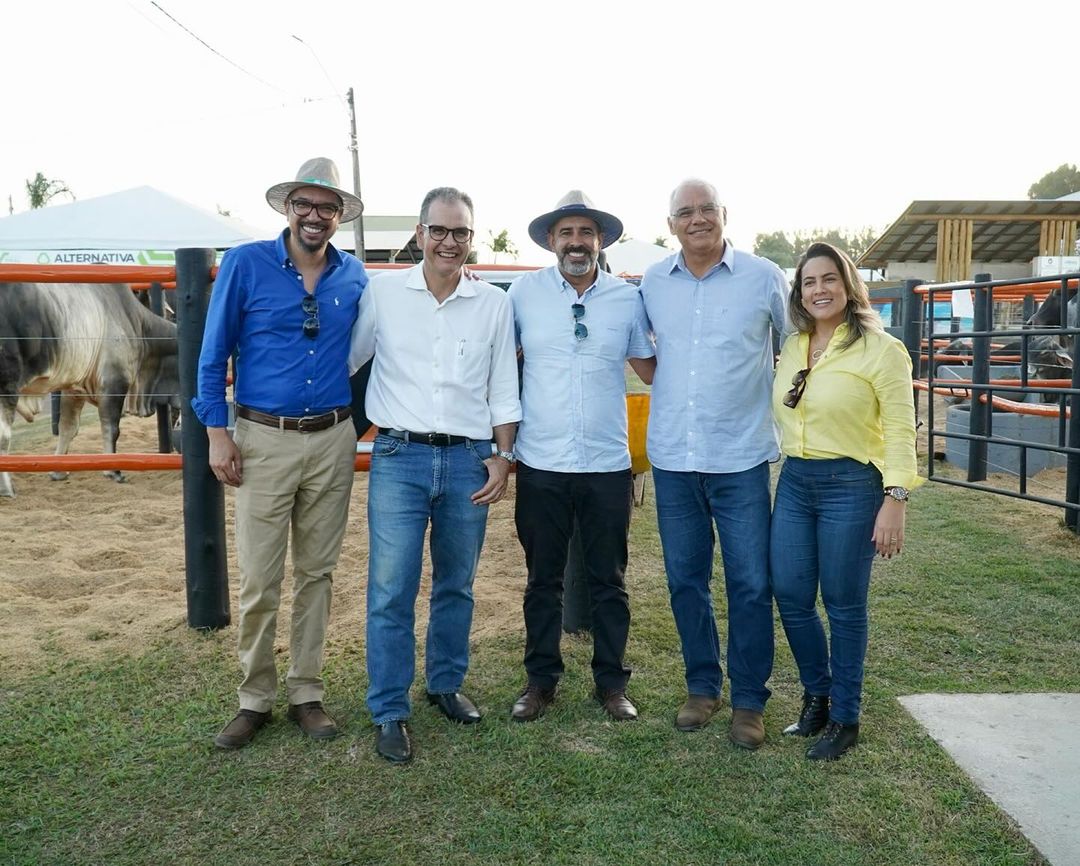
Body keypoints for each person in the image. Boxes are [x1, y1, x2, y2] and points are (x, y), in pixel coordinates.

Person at [193, 157, 368, 749]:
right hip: (261, 439)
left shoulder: (355, 277)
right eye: (304, 204)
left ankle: (307, 692)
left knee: (317, 573)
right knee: (260, 577)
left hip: (332, 439)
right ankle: (253, 698)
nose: (315, 216)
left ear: (339, 216)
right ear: (288, 207)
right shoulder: (246, 263)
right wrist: (218, 431)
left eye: (326, 207)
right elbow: (212, 354)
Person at [348, 187, 521, 763]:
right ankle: (390, 709)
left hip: (471, 456)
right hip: (399, 456)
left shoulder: (494, 303)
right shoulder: (382, 293)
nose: (450, 242)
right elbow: (348, 360)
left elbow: (502, 385)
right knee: (391, 588)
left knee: (457, 582)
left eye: (461, 232)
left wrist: (503, 455)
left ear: (472, 238)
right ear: (420, 234)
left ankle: (445, 683)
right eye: (439, 231)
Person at [639, 178, 788, 749]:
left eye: (706, 210)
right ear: (670, 223)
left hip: (742, 456)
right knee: (685, 581)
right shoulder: (653, 281)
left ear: (724, 215)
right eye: (685, 212)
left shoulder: (763, 277)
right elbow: (642, 352)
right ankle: (703, 686)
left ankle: (750, 700)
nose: (696, 219)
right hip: (675, 457)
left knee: (751, 582)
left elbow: (797, 343)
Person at [507, 191, 656, 724]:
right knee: (541, 579)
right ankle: (540, 680)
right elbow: (500, 367)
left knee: (609, 579)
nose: (577, 242)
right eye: (567, 233)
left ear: (601, 241)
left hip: (606, 463)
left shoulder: (626, 300)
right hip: (542, 461)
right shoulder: (522, 295)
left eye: (586, 233)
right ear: (551, 240)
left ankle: (612, 683)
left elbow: (650, 368)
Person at [770, 242, 920, 761]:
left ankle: (846, 716)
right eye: (809, 282)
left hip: (851, 484)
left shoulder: (882, 349)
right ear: (799, 292)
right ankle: (817, 694)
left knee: (843, 602)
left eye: (829, 279)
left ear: (848, 284)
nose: (819, 290)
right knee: (789, 593)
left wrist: (895, 496)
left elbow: (902, 427)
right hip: (795, 480)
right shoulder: (794, 345)